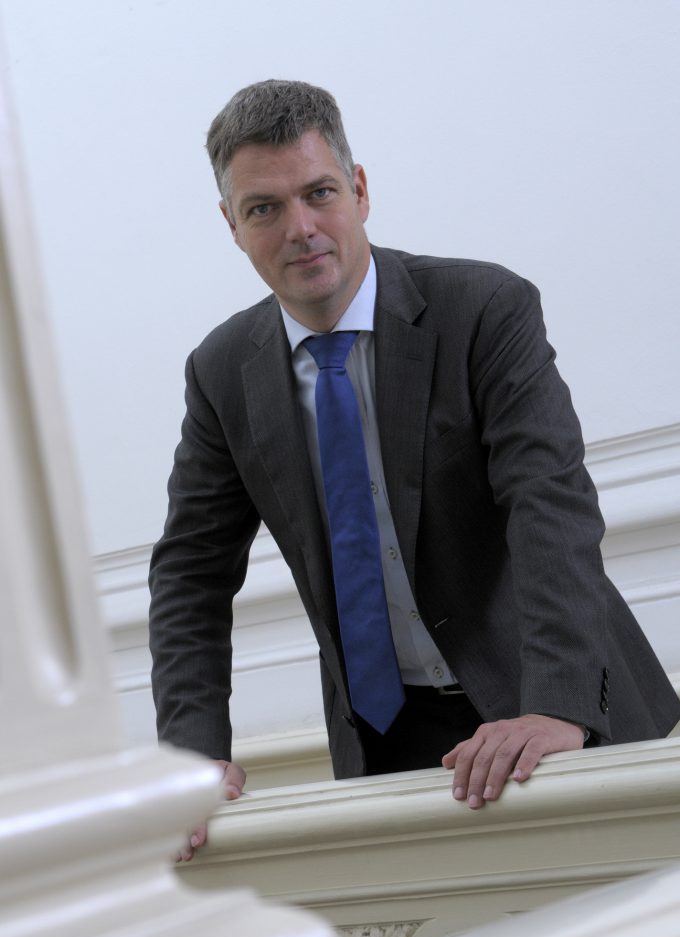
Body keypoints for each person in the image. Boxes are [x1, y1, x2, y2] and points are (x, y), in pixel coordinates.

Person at [149, 80, 679, 859]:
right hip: (387, 743)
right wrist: (192, 753)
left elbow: (549, 503)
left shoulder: (484, 308)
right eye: (263, 208)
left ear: (359, 190)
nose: (300, 228)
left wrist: (557, 705)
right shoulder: (222, 370)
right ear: (232, 225)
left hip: (555, 711)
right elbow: (190, 574)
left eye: (319, 193)